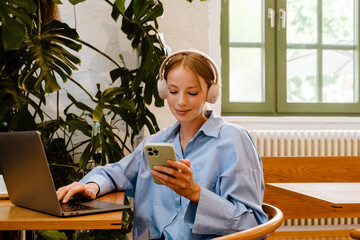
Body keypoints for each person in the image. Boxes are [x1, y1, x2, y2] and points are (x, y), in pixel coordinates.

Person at [56, 49, 268, 239]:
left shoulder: (233, 140)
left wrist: (195, 193)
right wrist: (91, 186)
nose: (181, 102)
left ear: (210, 93)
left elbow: (253, 224)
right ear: (163, 90)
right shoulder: (155, 143)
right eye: (173, 91)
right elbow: (116, 173)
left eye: (192, 93)